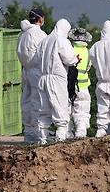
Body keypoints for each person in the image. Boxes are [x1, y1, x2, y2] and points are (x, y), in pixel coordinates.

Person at [35, 19, 79, 144]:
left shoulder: (43, 41)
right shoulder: (61, 40)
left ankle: (42, 139)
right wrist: (76, 59)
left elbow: (38, 58)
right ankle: (60, 138)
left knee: (43, 109)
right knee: (60, 107)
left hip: (42, 78)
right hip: (57, 77)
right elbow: (69, 59)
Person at [16, 8, 47, 143]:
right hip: (37, 71)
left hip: (26, 70)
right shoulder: (39, 34)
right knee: (38, 101)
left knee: (26, 101)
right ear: (40, 19)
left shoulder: (22, 34)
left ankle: (29, 132)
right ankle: (40, 132)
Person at [68, 28, 93, 138]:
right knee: (82, 111)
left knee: (67, 109)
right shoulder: (88, 52)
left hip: (69, 85)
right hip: (83, 85)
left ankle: (67, 133)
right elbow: (88, 67)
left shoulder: (70, 49)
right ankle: (81, 133)